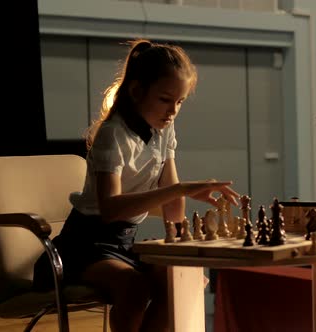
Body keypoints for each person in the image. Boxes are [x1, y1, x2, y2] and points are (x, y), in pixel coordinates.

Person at [33, 38, 240, 332]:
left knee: (182, 278)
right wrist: (181, 189)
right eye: (165, 99)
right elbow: (110, 209)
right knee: (134, 287)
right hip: (84, 246)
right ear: (136, 91)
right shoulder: (112, 134)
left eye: (179, 102)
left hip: (124, 242)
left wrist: (179, 245)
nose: (173, 111)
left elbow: (172, 200)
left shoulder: (164, 130)